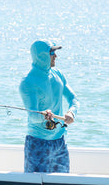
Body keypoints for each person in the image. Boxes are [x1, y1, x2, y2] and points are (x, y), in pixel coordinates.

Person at [19, 39, 79, 173]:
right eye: (52, 52)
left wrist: (71, 112)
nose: (56, 56)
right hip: (37, 144)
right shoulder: (28, 82)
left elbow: (73, 98)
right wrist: (44, 115)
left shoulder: (58, 75)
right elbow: (33, 116)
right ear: (42, 55)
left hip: (60, 142)